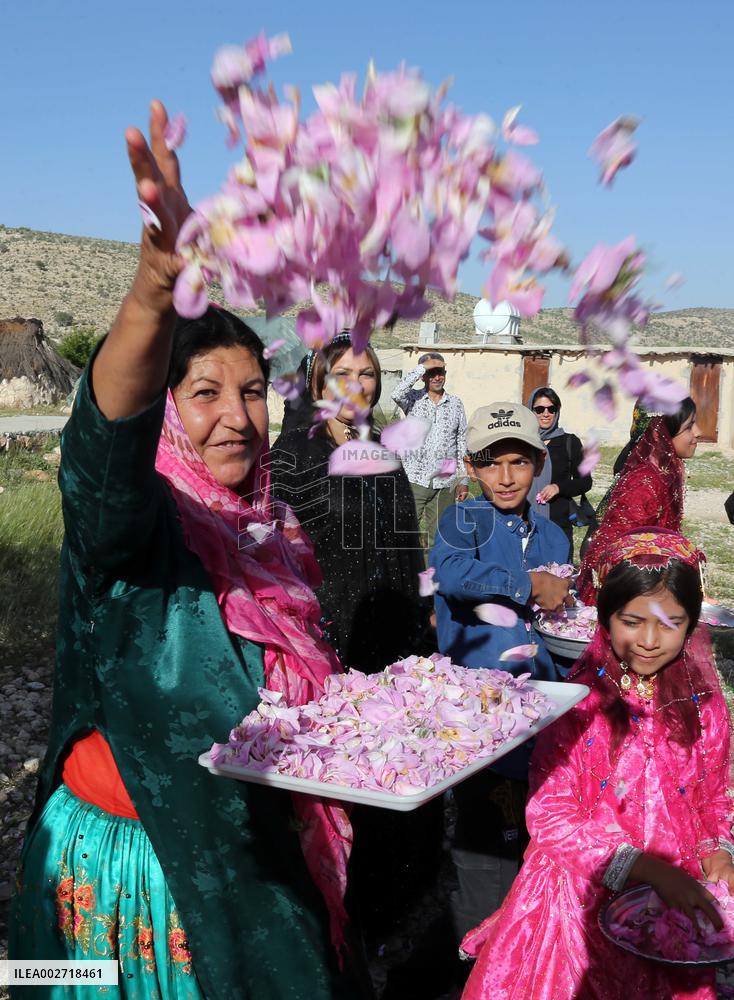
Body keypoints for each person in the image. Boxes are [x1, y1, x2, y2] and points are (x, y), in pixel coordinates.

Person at [9, 102, 358, 1000]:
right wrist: (155, 291)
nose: (236, 418)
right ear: (165, 409)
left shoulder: (272, 540)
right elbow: (103, 448)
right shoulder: (131, 529)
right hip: (126, 882)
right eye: (204, 392)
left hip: (249, 867)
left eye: (252, 392)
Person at [460, 529, 733, 1000]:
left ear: (692, 627)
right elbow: (550, 816)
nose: (648, 641)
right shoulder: (577, 704)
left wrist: (719, 850)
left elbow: (715, 796)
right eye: (632, 621)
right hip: (576, 899)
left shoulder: (705, 707)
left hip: (675, 901)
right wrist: (644, 867)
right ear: (606, 619)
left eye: (670, 623)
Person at [270, 337, 440, 966]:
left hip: (392, 635)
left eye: (367, 374)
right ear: (317, 382)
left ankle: (395, 905)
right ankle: (339, 916)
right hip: (328, 636)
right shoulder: (292, 457)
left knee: (395, 768)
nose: (357, 384)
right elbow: (276, 557)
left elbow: (407, 546)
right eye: (342, 373)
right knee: (338, 779)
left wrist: (423, 626)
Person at [430, 401, 572, 948]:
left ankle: (529, 955)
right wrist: (526, 584)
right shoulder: (462, 522)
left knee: (538, 844)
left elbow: (561, 616)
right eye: (492, 463)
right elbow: (451, 573)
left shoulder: (556, 538)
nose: (506, 476)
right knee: (485, 854)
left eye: (519, 462)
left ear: (539, 464)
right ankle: (476, 959)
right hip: (482, 721)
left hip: (541, 712)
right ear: (472, 467)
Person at [577, 397, 701, 604]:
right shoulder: (645, 483)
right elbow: (619, 553)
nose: (698, 432)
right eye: (689, 426)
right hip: (630, 596)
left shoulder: (664, 472)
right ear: (662, 430)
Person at [391, 351, 469, 551]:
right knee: (405, 535)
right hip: (414, 480)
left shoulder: (456, 404)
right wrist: (421, 367)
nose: (437, 377)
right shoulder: (412, 400)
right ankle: (407, 579)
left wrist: (463, 480)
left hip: (445, 483)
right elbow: (396, 393)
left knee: (440, 539)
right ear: (423, 376)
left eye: (440, 371)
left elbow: (461, 442)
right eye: (431, 372)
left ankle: (434, 578)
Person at [527, 385, 593, 557]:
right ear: (531, 411)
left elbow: (585, 481)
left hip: (558, 522)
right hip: (526, 519)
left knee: (559, 575)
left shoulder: (569, 442)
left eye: (551, 408)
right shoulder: (523, 442)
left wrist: (558, 487)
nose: (546, 414)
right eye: (539, 409)